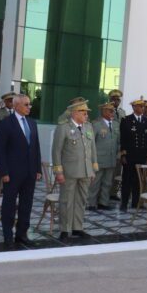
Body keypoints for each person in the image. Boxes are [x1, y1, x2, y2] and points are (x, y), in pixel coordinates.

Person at [0, 94, 41, 251]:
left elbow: (36, 147)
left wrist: (38, 169)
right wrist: (4, 172)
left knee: (26, 204)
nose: (29, 107)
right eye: (26, 104)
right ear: (16, 106)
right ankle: (8, 236)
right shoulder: (6, 123)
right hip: (12, 173)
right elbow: (0, 150)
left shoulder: (32, 123)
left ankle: (22, 234)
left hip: (30, 172)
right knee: (9, 205)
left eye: (29, 104)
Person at [52, 101, 98, 241]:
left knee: (81, 200)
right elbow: (56, 151)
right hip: (69, 172)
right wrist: (59, 172)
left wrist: (93, 169)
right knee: (66, 201)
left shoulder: (88, 126)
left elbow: (93, 149)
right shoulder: (64, 128)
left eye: (86, 112)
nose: (86, 114)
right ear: (74, 113)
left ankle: (77, 227)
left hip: (85, 171)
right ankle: (65, 229)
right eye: (83, 112)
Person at [119, 99, 147, 212]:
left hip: (141, 156)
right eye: (140, 106)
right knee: (127, 180)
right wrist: (123, 154)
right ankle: (124, 203)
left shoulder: (146, 121)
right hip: (129, 155)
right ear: (134, 107)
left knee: (138, 180)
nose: (142, 108)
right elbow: (123, 138)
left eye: (143, 107)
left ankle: (136, 202)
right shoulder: (126, 120)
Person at [87, 103, 119, 211]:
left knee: (108, 183)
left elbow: (117, 141)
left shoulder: (116, 124)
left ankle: (103, 202)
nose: (112, 113)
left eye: (113, 111)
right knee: (95, 182)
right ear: (103, 111)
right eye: (110, 111)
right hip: (99, 159)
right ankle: (91, 203)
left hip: (111, 159)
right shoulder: (96, 124)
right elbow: (91, 142)